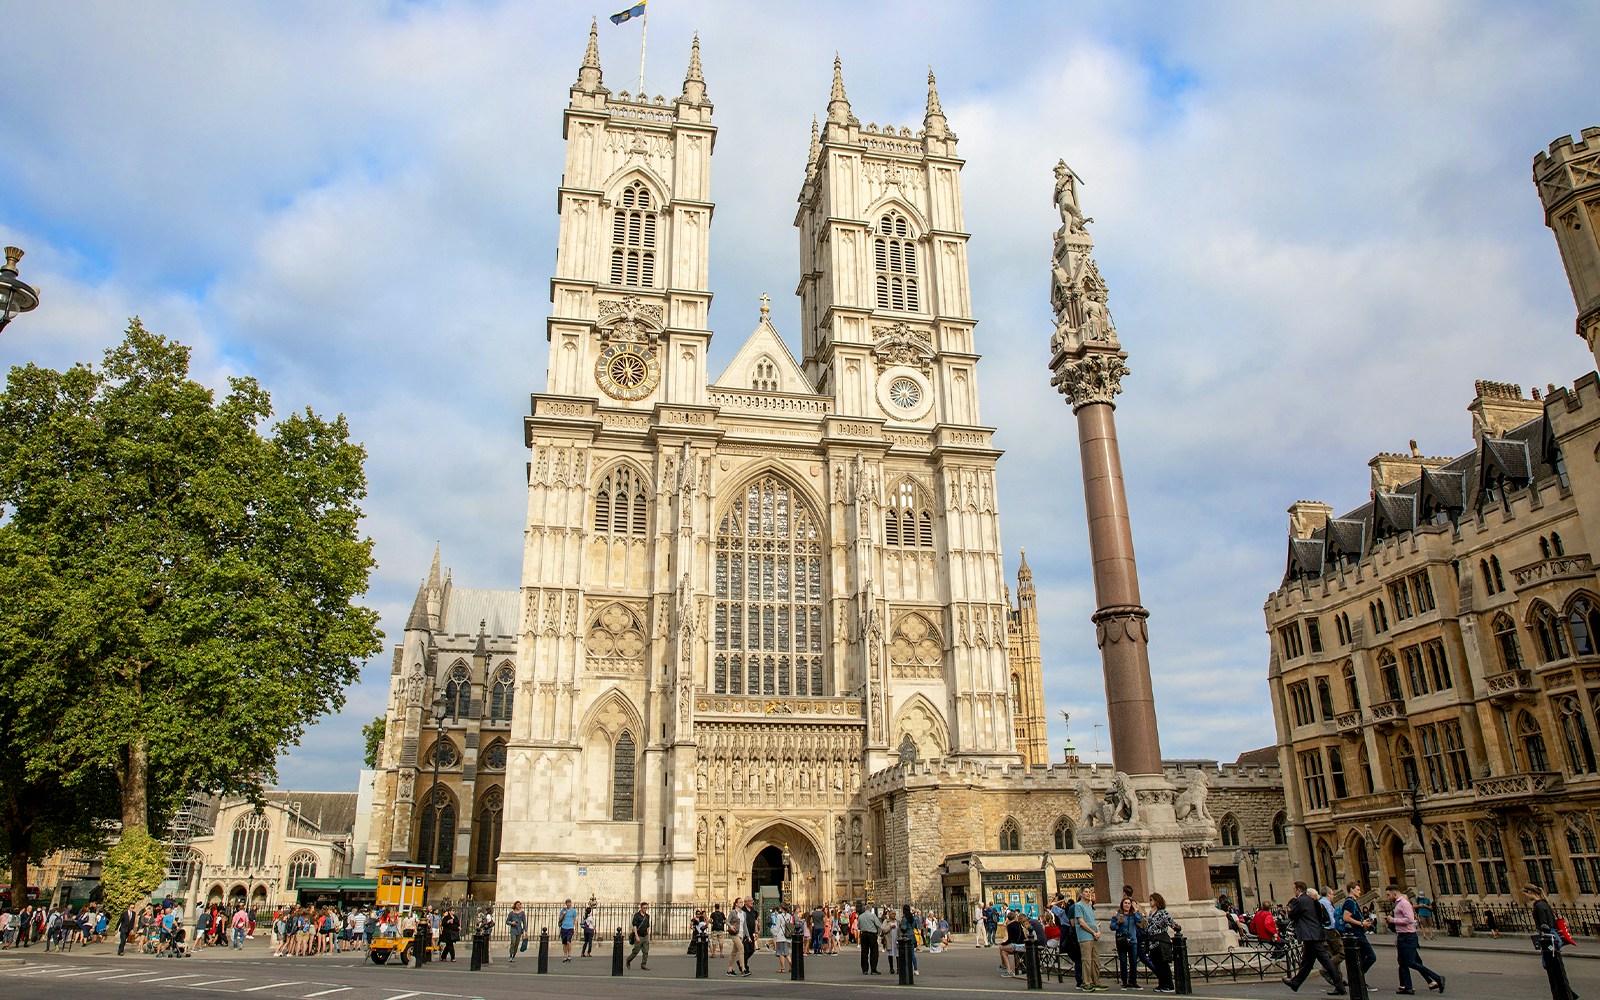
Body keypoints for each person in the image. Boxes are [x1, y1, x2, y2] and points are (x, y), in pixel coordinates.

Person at [1281, 880, 1345, 996]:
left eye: (1294, 889)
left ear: (1299, 889)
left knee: (1326, 961)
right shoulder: (1313, 900)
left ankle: (1340, 986)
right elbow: (1321, 916)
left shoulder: (1299, 901)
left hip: (1309, 935)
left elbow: (1292, 915)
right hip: (1315, 933)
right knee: (1307, 962)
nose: (1293, 891)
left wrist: (1290, 911)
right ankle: (1295, 983)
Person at [1381, 884, 1441, 995]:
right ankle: (1407, 987)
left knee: (1411, 962)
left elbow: (1409, 919)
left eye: (1389, 895)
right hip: (1402, 936)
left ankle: (1437, 978)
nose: (1388, 898)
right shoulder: (1399, 904)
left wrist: (1393, 920)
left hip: (1408, 936)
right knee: (1403, 963)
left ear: (1395, 893)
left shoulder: (1404, 903)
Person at [1524, 882, 1576, 1000]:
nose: (1526, 896)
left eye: (1526, 893)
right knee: (1554, 968)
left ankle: (1564, 994)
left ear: (1530, 893)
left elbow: (1544, 924)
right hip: (1552, 936)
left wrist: (1543, 938)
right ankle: (1567, 993)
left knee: (1550, 967)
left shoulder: (1539, 906)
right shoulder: (1545, 904)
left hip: (1548, 937)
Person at [1336, 883, 1376, 979]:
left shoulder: (1353, 901)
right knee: (1371, 956)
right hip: (1356, 934)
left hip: (1358, 932)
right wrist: (1361, 924)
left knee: (1361, 957)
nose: (1360, 891)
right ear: (1351, 890)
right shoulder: (1349, 902)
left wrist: (1363, 922)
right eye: (1357, 889)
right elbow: (1346, 917)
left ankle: (1358, 979)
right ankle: (1357, 977)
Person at [1145, 893, 1179, 994]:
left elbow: (1170, 921)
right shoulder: (1151, 913)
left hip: (1161, 941)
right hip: (1152, 941)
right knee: (1156, 964)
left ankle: (1169, 984)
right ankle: (1161, 983)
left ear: (1157, 901)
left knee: (1163, 964)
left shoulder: (1162, 912)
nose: (1150, 901)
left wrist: (1176, 927)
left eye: (1151, 899)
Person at [1073, 887, 1106, 992]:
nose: (1088, 894)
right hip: (1085, 937)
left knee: (1095, 960)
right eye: (1086, 892)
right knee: (1087, 960)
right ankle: (1086, 983)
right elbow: (1082, 922)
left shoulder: (1090, 906)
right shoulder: (1078, 906)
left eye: (1089, 892)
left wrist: (1098, 931)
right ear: (1081, 894)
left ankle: (1096, 981)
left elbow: (1093, 922)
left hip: (1093, 936)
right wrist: (1093, 932)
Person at [1111, 895, 1143, 989]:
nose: (1127, 905)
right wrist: (1118, 923)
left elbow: (1140, 920)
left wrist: (1136, 909)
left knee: (1133, 962)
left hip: (1132, 941)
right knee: (1123, 961)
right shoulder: (1117, 914)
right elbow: (1112, 927)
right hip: (1122, 941)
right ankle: (1124, 982)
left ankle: (1133, 981)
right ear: (1122, 904)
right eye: (1125, 903)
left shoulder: (1133, 914)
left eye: (1129, 903)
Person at [626, 900, 651, 970]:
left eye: (646, 908)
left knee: (646, 951)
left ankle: (643, 964)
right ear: (641, 908)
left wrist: (648, 937)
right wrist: (636, 936)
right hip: (639, 935)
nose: (645, 909)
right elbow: (634, 926)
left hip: (645, 936)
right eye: (644, 908)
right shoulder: (636, 916)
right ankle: (629, 959)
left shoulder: (647, 916)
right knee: (636, 951)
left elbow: (648, 927)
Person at [858, 902, 882, 974]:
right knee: (874, 952)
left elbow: (859, 926)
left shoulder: (860, 916)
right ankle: (873, 969)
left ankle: (865, 969)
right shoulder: (873, 916)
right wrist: (878, 933)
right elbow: (878, 925)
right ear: (870, 909)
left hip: (864, 934)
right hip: (872, 934)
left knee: (864, 952)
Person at [771, 904, 792, 973]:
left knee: (780, 953)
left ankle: (783, 967)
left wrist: (774, 933)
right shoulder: (789, 916)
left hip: (781, 935)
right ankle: (791, 963)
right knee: (786, 952)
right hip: (787, 935)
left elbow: (777, 927)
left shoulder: (779, 916)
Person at [559, 898, 577, 962]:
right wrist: (563, 914)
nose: (569, 904)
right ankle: (565, 956)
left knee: (568, 942)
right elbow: (560, 919)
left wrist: (575, 928)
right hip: (564, 927)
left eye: (569, 903)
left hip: (570, 928)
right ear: (566, 904)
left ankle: (569, 955)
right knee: (564, 943)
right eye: (567, 903)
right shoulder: (563, 910)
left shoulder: (573, 911)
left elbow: (575, 919)